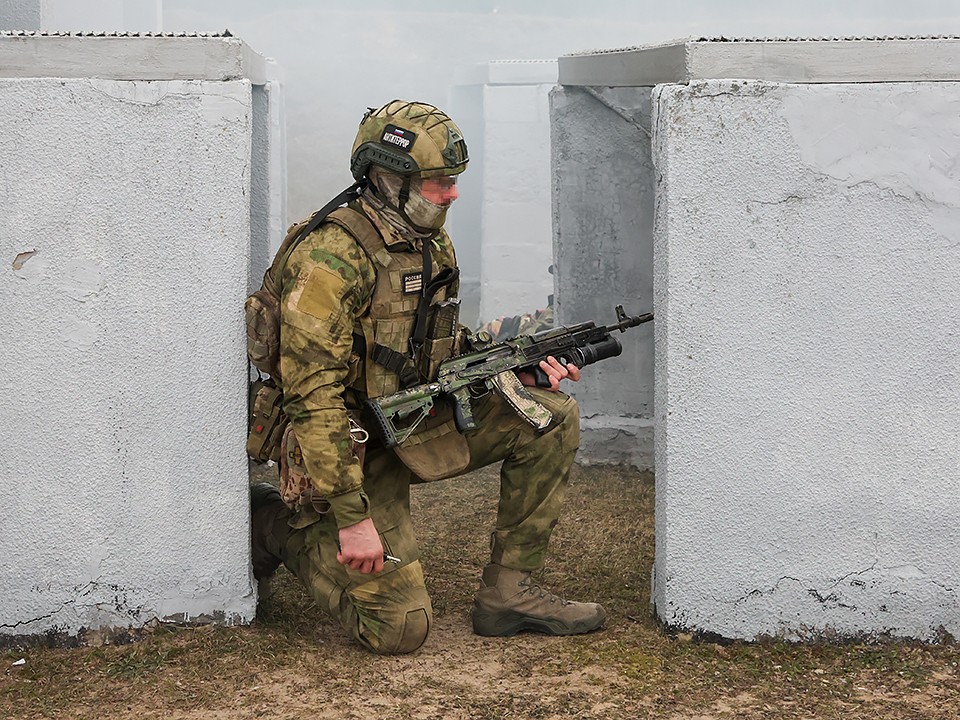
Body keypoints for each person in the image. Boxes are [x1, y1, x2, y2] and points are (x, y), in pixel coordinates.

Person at [250, 99, 605, 655]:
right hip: (348, 448)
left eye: (453, 181)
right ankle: (269, 524)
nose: (452, 194)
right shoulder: (330, 257)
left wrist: (515, 369)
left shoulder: (429, 241)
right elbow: (311, 398)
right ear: (389, 179)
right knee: (399, 629)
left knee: (551, 417)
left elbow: (433, 348)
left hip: (407, 419)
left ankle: (508, 596)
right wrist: (350, 518)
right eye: (440, 182)